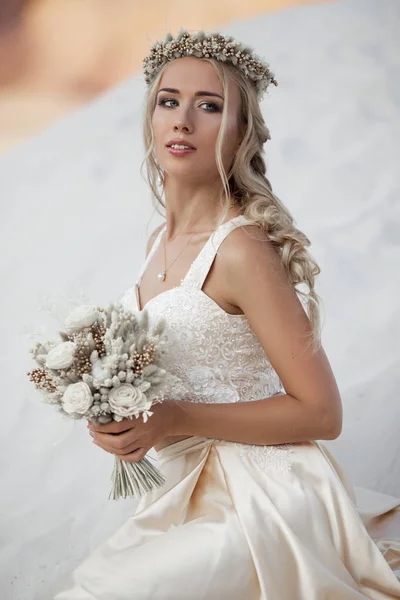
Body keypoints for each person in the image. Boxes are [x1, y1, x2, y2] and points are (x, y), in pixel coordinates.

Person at [55, 29, 400, 599]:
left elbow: (321, 412)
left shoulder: (241, 248)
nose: (182, 121)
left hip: (260, 496)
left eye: (209, 106)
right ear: (150, 118)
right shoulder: (155, 244)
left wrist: (171, 418)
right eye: (169, 101)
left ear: (241, 132)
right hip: (178, 488)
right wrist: (117, 416)